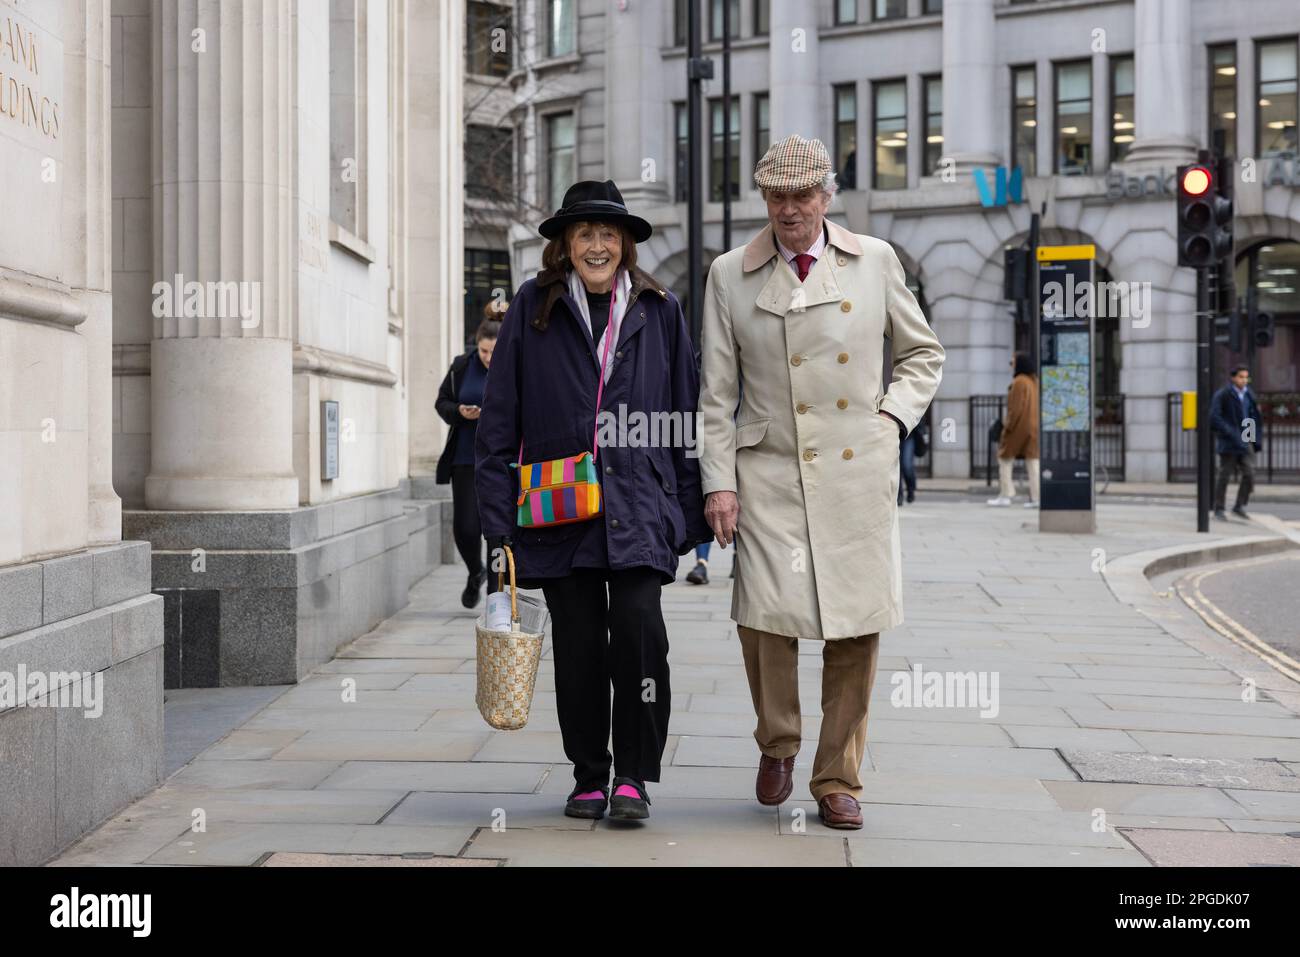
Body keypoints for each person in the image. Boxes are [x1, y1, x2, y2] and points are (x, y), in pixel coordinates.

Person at [698, 135, 944, 830]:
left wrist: (892, 420)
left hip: (855, 469)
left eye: (802, 195)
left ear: (826, 196)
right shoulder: (729, 274)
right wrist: (718, 481)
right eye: (777, 197)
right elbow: (717, 394)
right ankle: (778, 740)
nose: (789, 209)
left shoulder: (876, 263)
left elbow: (923, 354)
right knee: (765, 617)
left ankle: (838, 774)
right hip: (768, 469)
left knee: (856, 626)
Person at [476, 180, 710, 823]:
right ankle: (588, 774)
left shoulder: (660, 310)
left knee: (639, 636)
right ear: (566, 246)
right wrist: (498, 524)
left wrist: (688, 515)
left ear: (627, 245)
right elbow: (498, 422)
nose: (599, 245)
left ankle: (633, 776)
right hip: (559, 511)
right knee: (578, 647)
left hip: (640, 507)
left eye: (610, 234)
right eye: (586, 235)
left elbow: (686, 413)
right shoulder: (532, 306)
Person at [435, 308, 503, 608]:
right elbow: (442, 402)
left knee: (496, 530)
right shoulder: (461, 366)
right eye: (484, 351)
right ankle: (476, 572)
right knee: (465, 528)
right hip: (464, 457)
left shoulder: (513, 366)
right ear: (477, 345)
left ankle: (494, 600)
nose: (489, 357)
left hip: (501, 460)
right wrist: (459, 412)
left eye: (494, 351)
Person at [987, 352, 1040, 508]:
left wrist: (1007, 427)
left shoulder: (1018, 382)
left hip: (1018, 428)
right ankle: (1037, 498)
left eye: (1013, 362)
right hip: (1033, 428)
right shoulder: (1033, 382)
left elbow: (1015, 409)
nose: (1011, 365)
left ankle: (1005, 494)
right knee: (1033, 463)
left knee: (1004, 459)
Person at [1211, 365, 1263, 521]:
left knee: (1250, 473)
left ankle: (1239, 505)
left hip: (1246, 440)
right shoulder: (1223, 394)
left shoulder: (1248, 395)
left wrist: (1253, 439)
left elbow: (1252, 416)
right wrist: (1231, 433)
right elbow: (1215, 418)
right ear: (1233, 378)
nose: (1244, 380)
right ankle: (1219, 508)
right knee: (1224, 476)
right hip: (1229, 441)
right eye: (1241, 377)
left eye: (1246, 377)